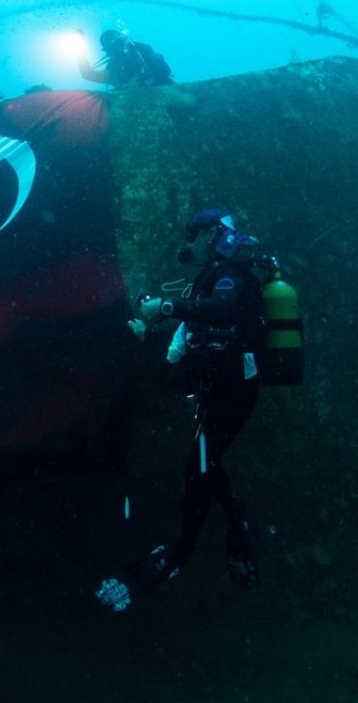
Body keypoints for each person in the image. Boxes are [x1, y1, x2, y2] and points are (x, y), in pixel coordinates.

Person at [97, 210, 262, 612]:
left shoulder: (231, 275)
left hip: (232, 392)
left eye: (196, 235)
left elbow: (221, 310)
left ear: (213, 234)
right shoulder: (215, 275)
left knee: (200, 465)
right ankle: (236, 535)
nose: (191, 244)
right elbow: (194, 329)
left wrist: (168, 309)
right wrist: (151, 327)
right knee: (207, 462)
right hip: (219, 389)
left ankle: (183, 553)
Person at [79, 30, 173, 89]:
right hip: (138, 106)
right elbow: (88, 74)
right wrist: (79, 48)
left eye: (118, 42)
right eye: (112, 46)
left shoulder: (142, 50)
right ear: (107, 50)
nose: (118, 48)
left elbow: (165, 70)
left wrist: (140, 82)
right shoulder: (113, 68)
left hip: (163, 90)